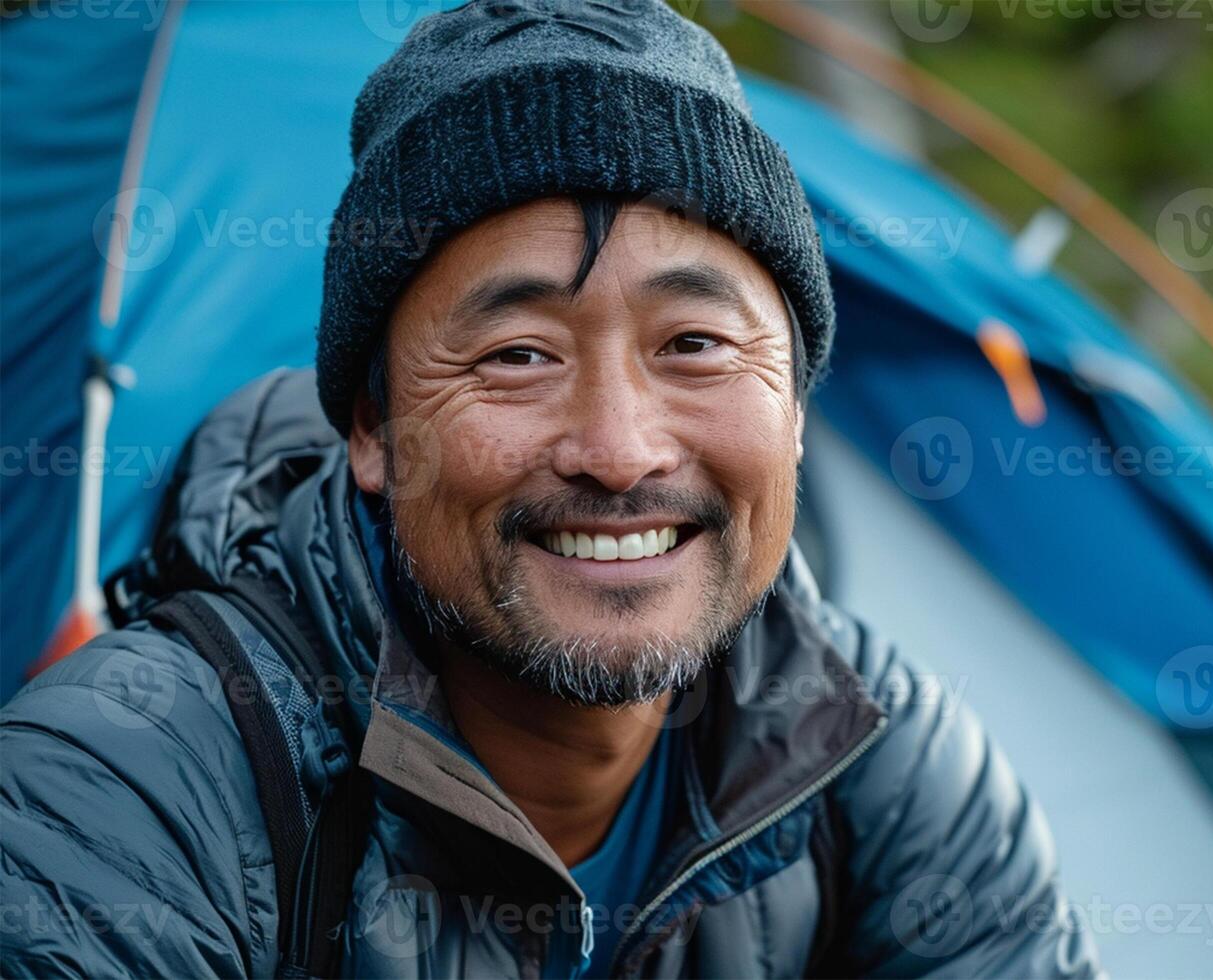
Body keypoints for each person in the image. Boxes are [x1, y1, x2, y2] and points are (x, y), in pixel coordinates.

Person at [0, 2, 1097, 977]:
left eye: (698, 343)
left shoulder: (877, 757)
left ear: (798, 410)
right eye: (518, 354)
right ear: (372, 429)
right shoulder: (117, 791)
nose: (619, 451)